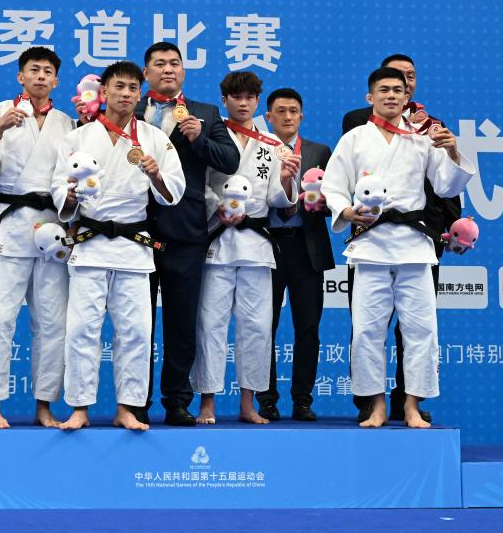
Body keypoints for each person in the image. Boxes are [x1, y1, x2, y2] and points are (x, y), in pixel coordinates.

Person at [323, 67, 474, 428]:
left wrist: (453, 151)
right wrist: (346, 211)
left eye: (398, 90)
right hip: (370, 245)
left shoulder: (422, 138)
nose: (391, 95)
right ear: (370, 97)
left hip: (414, 245)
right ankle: (375, 405)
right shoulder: (355, 138)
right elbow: (333, 185)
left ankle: (411, 406)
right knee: (366, 329)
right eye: (383, 90)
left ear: (408, 98)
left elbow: (446, 186)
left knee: (421, 329)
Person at [51, 60, 185, 431]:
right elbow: (59, 186)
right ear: (104, 91)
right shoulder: (78, 137)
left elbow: (174, 192)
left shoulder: (154, 138)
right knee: (82, 329)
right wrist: (70, 196)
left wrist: (156, 175)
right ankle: (79, 408)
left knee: (136, 331)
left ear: (140, 94)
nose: (125, 94)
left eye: (132, 88)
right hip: (91, 242)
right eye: (119, 87)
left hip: (133, 246)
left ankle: (128, 408)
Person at [0, 47, 74, 429]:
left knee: (53, 322)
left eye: (47, 71)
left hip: (52, 229)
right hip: (11, 227)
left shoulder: (67, 123)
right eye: (33, 70)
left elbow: (75, 179)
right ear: (20, 76)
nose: (40, 76)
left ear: (56, 81)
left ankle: (44, 404)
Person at [133, 42, 240, 426]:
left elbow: (231, 160)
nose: (168, 69)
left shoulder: (205, 113)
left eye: (174, 64)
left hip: (186, 230)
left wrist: (200, 139)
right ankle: (135, 401)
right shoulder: (129, 109)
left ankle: (177, 400)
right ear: (146, 73)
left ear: (183, 71)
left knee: (181, 322)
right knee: (137, 324)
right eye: (159, 64)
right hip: (136, 230)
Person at [191, 72, 299, 425]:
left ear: (257, 101)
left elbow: (277, 199)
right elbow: (199, 183)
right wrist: (216, 207)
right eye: (236, 97)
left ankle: (248, 402)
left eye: (249, 97)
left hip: (256, 243)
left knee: (257, 326)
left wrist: (287, 179)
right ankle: (207, 401)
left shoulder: (272, 144)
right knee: (210, 324)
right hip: (218, 240)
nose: (243, 103)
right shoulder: (212, 135)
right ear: (224, 100)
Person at [254, 88, 335, 422]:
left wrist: (322, 204)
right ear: (268, 116)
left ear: (302, 115)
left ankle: (302, 400)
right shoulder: (259, 149)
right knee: (264, 327)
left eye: (293, 111)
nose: (287, 117)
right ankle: (266, 400)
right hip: (267, 244)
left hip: (307, 246)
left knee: (308, 327)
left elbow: (336, 199)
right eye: (280, 111)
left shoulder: (319, 151)